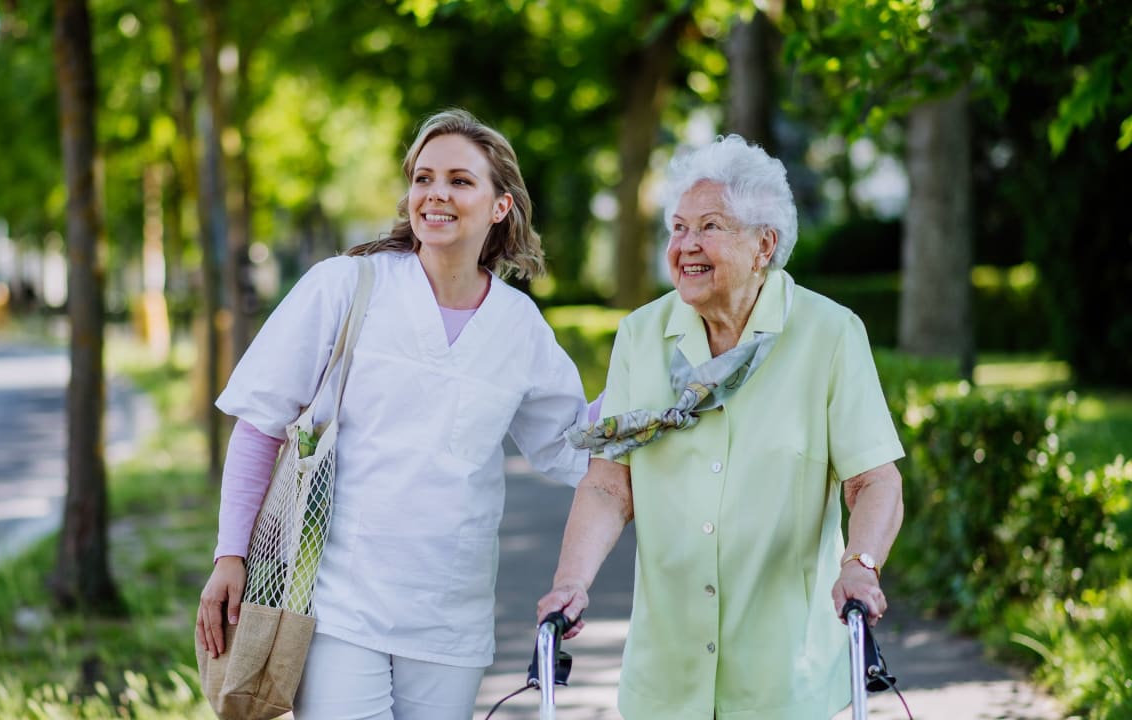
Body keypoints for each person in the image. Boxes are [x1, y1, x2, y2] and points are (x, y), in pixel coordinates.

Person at [195, 108, 591, 720]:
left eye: (460, 181)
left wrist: (666, 414)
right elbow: (259, 426)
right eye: (423, 178)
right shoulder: (346, 286)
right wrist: (230, 555)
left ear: (499, 206)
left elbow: (574, 447)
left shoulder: (520, 328)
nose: (436, 194)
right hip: (334, 607)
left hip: (450, 623)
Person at [536, 134, 905, 719]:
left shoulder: (830, 334)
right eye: (677, 228)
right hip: (667, 675)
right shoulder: (641, 335)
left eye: (708, 226)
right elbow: (610, 483)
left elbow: (873, 480)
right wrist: (569, 583)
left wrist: (860, 567)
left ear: (764, 245)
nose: (685, 245)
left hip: (785, 677)